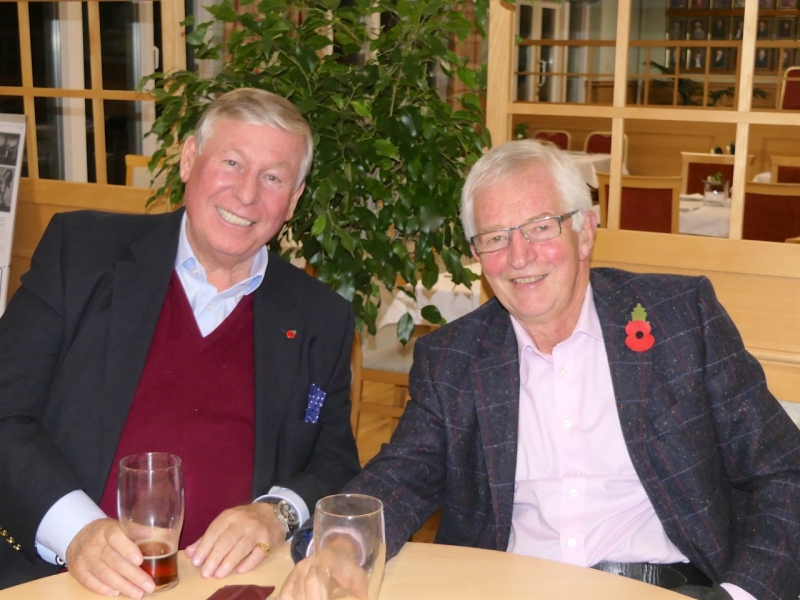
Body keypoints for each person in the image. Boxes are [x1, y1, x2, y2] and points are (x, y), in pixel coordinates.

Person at [278, 140, 800, 600]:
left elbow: (783, 471)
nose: (519, 257)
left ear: (585, 232)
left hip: (665, 585)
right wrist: (341, 544)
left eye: (540, 227)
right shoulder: (455, 358)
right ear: (477, 255)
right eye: (495, 237)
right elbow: (403, 476)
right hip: (511, 587)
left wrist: (740, 594)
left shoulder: (679, 319)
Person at [0, 88, 361, 595]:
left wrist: (275, 514)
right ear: (189, 159)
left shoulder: (321, 316)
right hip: (61, 579)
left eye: (273, 178)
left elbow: (334, 461)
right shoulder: (81, 255)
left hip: (234, 586)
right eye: (232, 163)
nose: (247, 194)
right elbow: (6, 412)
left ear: (294, 199)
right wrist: (78, 532)